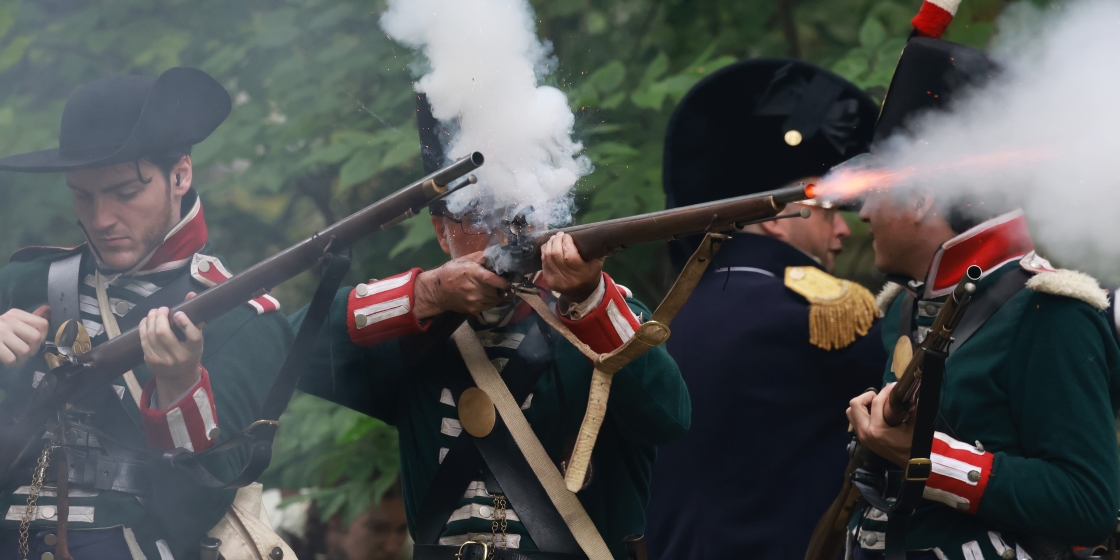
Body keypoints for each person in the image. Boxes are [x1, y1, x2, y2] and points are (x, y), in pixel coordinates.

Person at [291, 96, 690, 560]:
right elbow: (290, 350)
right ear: (441, 231)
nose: (502, 233)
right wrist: (426, 294)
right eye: (478, 213)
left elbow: (668, 417)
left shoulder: (601, 316)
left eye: (518, 212)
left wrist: (588, 298)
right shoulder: (417, 329)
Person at [0, 69, 293, 559]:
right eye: (83, 195)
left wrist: (180, 386)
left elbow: (196, 509)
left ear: (180, 175)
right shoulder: (21, 285)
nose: (101, 219)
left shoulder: (245, 321)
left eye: (124, 192)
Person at [846, 37, 1120, 559]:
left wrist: (929, 459)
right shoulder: (905, 307)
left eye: (877, 191)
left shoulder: (1049, 311)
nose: (862, 214)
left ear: (920, 199)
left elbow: (1088, 504)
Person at [644, 59, 888, 560]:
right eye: (828, 210)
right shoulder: (823, 311)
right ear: (777, 216)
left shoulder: (673, 315)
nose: (845, 230)